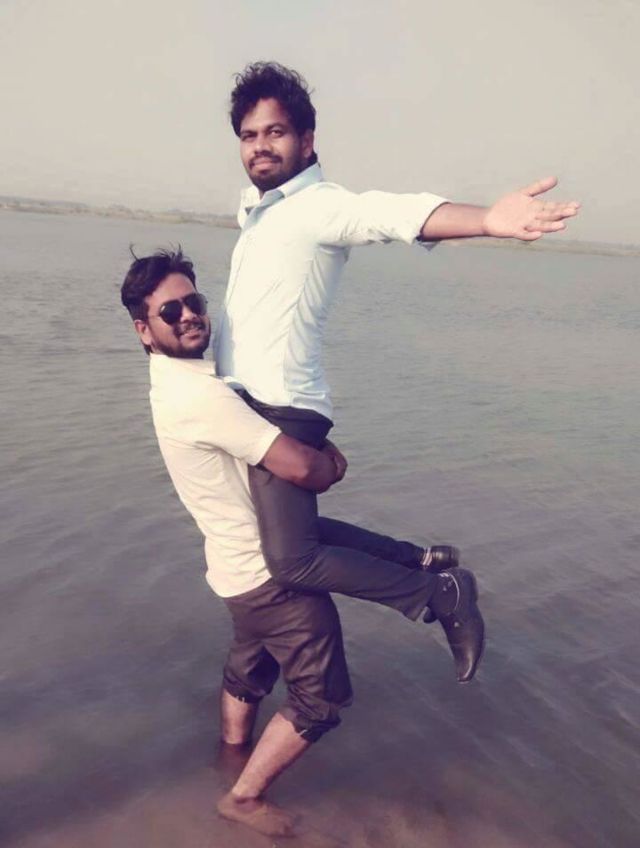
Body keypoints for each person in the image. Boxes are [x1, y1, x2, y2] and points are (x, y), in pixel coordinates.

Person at [121, 249, 486, 838]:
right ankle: (242, 797)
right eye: (170, 310)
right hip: (271, 580)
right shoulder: (200, 398)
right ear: (144, 329)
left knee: (248, 672)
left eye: (194, 302)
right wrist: (332, 461)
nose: (188, 315)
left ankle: (232, 755)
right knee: (320, 700)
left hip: (233, 571)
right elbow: (304, 470)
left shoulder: (180, 384)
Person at [213, 59, 580, 629]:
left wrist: (487, 219)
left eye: (275, 132)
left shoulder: (319, 206)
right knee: (287, 535)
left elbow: (387, 213)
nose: (260, 146)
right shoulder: (260, 212)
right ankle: (421, 560)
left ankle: (440, 595)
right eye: (249, 135)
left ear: (307, 140)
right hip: (255, 405)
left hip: (280, 408)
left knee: (291, 560)